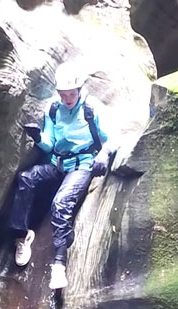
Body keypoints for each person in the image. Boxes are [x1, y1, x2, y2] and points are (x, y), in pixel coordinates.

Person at [7, 62, 113, 290]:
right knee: (26, 178)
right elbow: (49, 145)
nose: (67, 99)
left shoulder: (91, 109)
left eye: (71, 94)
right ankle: (23, 235)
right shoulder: (54, 109)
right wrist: (38, 138)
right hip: (58, 164)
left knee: (61, 202)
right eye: (63, 94)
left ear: (80, 90)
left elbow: (111, 138)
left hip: (82, 165)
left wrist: (104, 154)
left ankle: (59, 263)